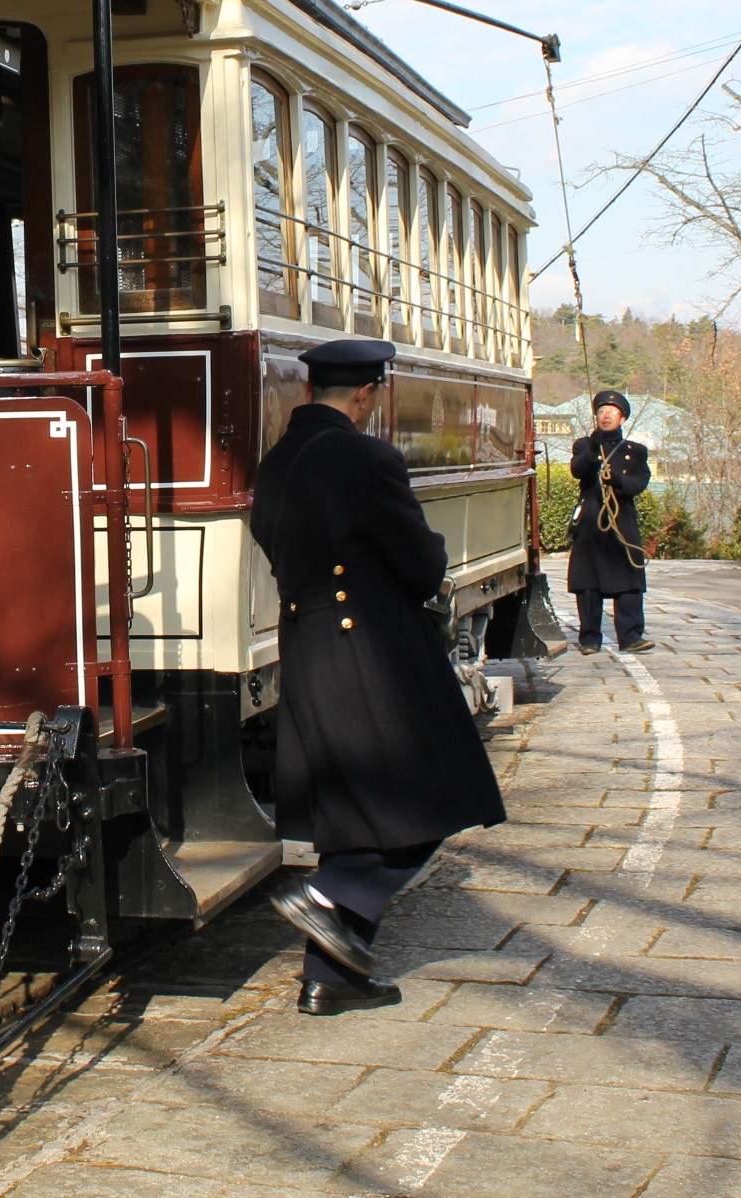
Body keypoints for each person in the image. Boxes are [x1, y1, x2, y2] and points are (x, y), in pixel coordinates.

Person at [250, 337, 507, 1016]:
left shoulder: (276, 464)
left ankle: (326, 979)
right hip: (374, 653)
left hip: (307, 649)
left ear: (310, 392)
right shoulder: (365, 457)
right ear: (365, 394)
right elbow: (420, 564)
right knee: (436, 795)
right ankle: (333, 898)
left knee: (352, 818)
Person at [566, 390, 654, 654]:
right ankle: (590, 638)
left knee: (629, 581)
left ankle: (630, 636)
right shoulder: (585, 445)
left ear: (622, 418)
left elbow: (638, 483)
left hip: (621, 522)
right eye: (602, 411)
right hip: (591, 523)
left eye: (612, 412)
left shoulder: (635, 452)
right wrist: (593, 449)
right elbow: (577, 470)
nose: (606, 416)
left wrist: (617, 480)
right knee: (588, 583)